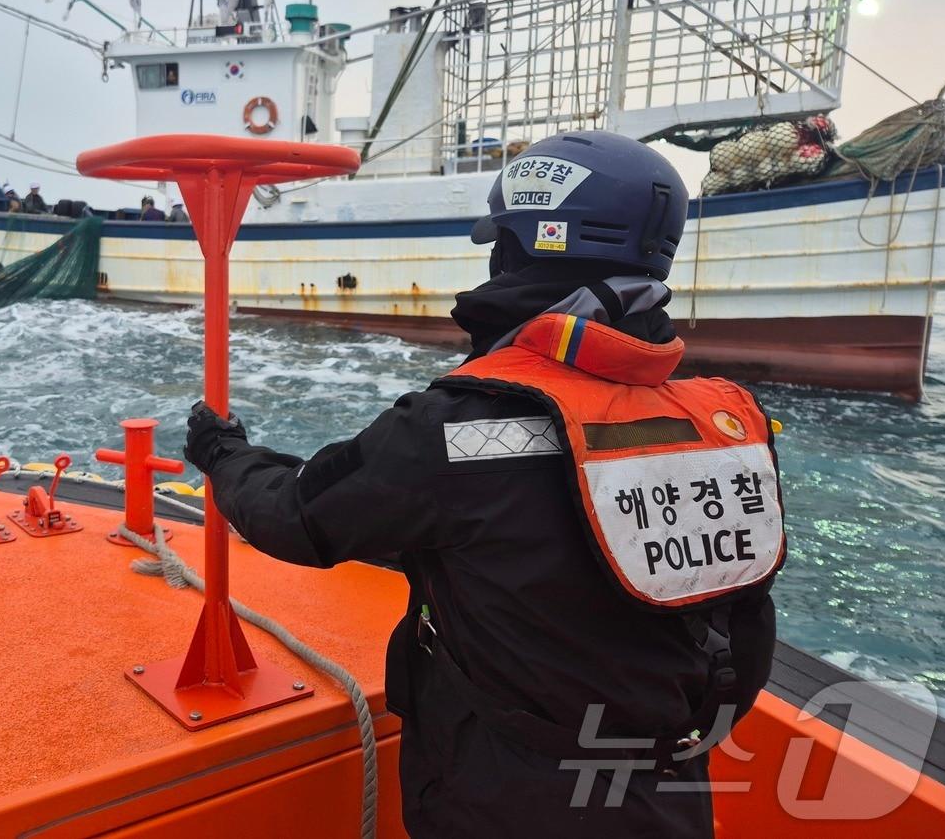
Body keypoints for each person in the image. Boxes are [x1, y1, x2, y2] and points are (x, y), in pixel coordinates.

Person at [184, 132, 785, 839]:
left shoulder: (454, 429)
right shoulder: (724, 423)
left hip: (506, 796)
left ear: (521, 250)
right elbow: (739, 626)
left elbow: (296, 517)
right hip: (666, 791)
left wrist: (226, 455)